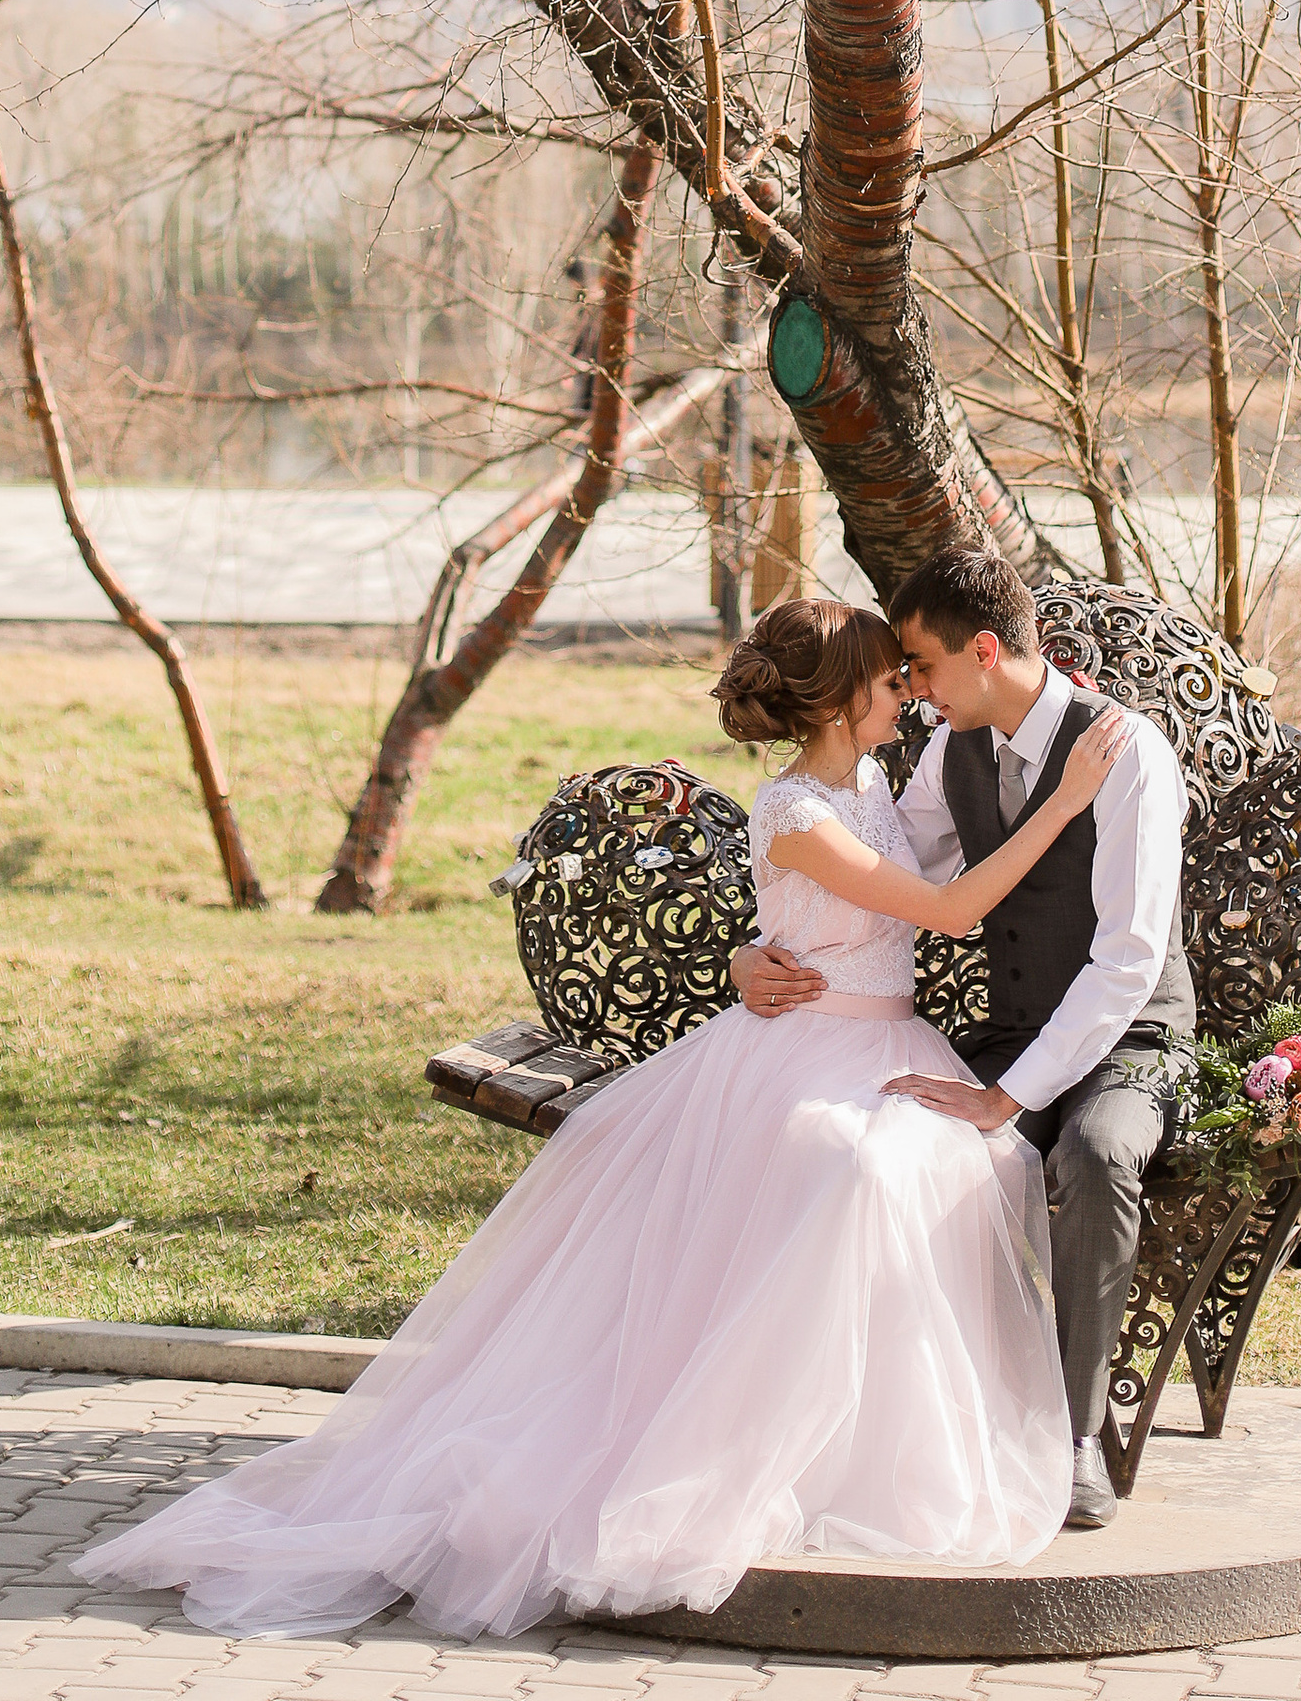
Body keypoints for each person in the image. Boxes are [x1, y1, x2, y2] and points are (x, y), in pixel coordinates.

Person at [73, 593, 1128, 1639]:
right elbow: (945, 907)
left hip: (884, 1045)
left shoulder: (878, 784)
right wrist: (1065, 798)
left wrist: (746, 951)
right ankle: (748, 1449)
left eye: (909, 675)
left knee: (936, 1161)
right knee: (854, 1169)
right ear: (841, 699)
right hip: (805, 1054)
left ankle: (876, 1449)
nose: (906, 691)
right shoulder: (794, 814)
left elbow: (914, 871)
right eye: (888, 679)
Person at [733, 545, 1191, 1529]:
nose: (914, 692)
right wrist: (751, 950)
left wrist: (1007, 1097)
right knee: (900, 1153)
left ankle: (1073, 1436)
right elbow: (876, 883)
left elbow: (1128, 959)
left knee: (1097, 1154)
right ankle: (922, 1425)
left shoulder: (1124, 755)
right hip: (1013, 1033)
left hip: (1130, 1040)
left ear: (983, 651)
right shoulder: (952, 753)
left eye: (923, 670)